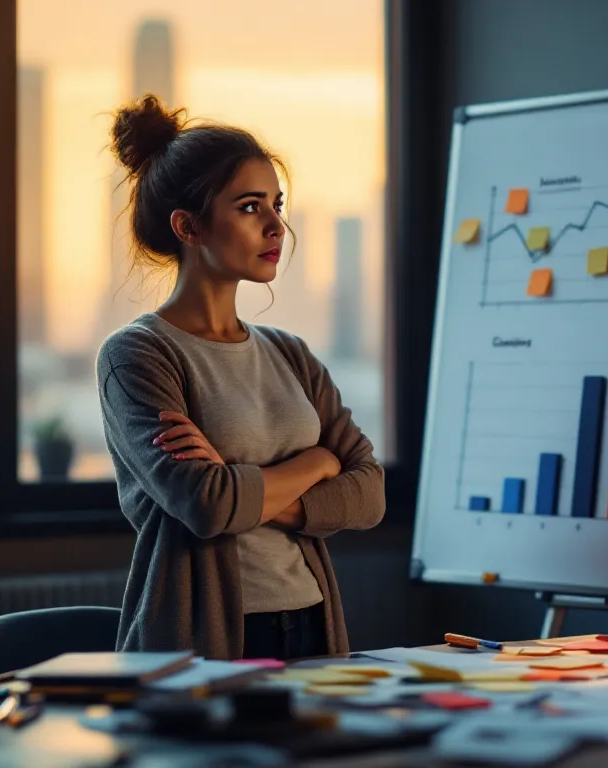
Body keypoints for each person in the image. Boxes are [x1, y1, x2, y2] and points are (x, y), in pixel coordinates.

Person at [95, 94, 385, 661]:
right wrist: (317, 464)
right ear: (189, 226)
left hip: (310, 622)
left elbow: (369, 492)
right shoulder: (137, 355)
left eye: (277, 205)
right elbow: (207, 507)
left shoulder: (290, 354)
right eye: (250, 207)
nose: (276, 226)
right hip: (203, 636)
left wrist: (239, 485)